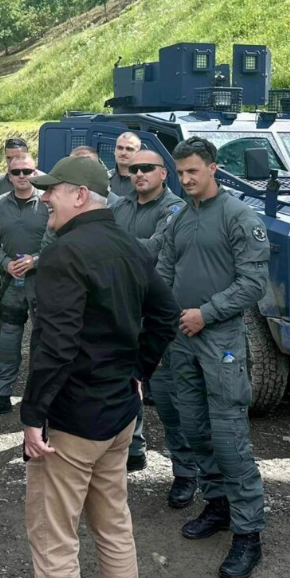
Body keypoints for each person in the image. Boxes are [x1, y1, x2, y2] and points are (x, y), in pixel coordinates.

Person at [22, 155, 178, 578]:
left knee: (55, 544)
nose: (44, 196)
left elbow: (57, 344)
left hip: (73, 423)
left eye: (53, 190)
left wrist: (33, 414)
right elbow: (167, 314)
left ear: (81, 195)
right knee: (113, 528)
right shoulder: (126, 245)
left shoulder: (62, 255)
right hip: (118, 418)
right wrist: (138, 372)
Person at [157, 136, 269, 578]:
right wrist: (164, 310)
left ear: (213, 169)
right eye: (180, 173)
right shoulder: (181, 218)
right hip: (181, 337)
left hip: (219, 337)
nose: (185, 180)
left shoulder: (239, 217)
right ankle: (217, 504)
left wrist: (207, 313)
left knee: (229, 437)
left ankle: (248, 534)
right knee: (193, 426)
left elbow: (253, 283)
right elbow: (165, 269)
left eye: (193, 172)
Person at [112, 149, 198, 510]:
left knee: (169, 401)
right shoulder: (121, 207)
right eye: (134, 169)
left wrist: (113, 248)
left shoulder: (175, 210)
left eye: (147, 168)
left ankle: (186, 473)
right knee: (121, 393)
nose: (139, 173)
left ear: (164, 173)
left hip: (158, 322)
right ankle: (123, 460)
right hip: (123, 316)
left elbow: (155, 250)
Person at [0, 152, 47, 422]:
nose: (22, 176)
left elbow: (58, 239)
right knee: (7, 341)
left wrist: (36, 261)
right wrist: (5, 263)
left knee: (44, 343)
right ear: (8, 176)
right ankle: (2, 395)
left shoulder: (47, 202)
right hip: (8, 284)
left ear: (35, 172)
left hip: (41, 283)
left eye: (27, 171)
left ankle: (40, 401)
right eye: (16, 172)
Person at [108, 131, 141, 199]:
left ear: (138, 153)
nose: (123, 153)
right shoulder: (105, 179)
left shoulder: (145, 181)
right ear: (115, 151)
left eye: (129, 149)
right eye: (120, 148)